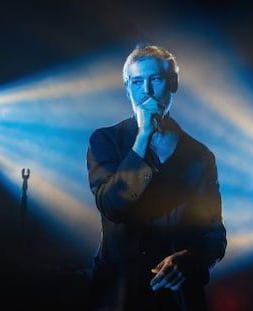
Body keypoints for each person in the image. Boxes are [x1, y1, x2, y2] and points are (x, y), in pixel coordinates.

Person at [86, 44, 227, 311]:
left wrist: (191, 259)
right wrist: (142, 139)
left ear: (172, 83)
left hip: (177, 296)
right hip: (120, 294)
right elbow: (113, 205)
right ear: (127, 88)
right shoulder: (106, 140)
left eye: (156, 79)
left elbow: (214, 233)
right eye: (137, 82)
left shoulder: (199, 156)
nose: (146, 91)